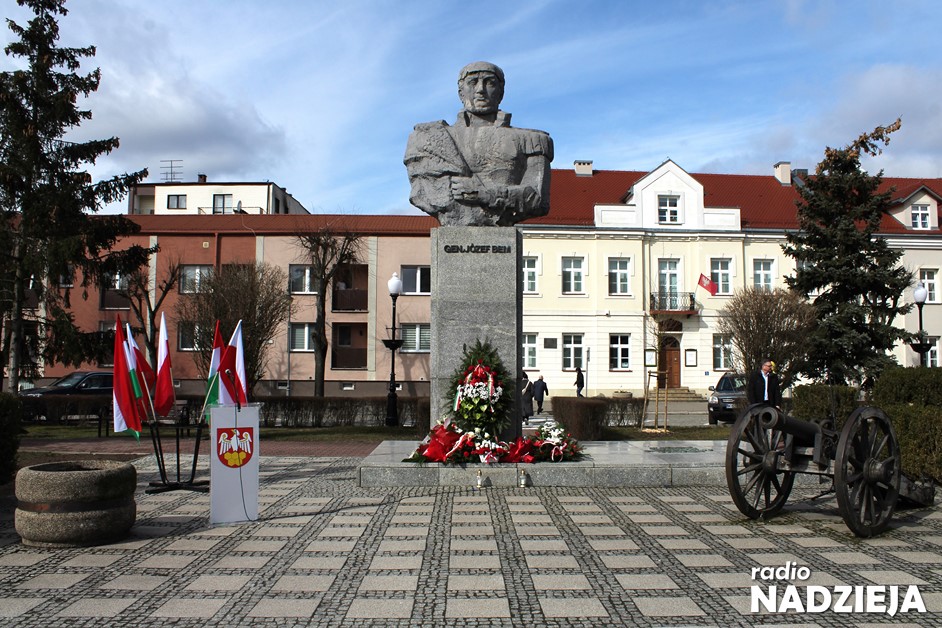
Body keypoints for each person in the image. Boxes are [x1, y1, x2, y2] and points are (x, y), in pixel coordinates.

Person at [404, 61, 553, 227]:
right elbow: (422, 193)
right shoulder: (428, 139)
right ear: (461, 92)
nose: (480, 89)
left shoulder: (532, 140)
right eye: (473, 82)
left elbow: (537, 199)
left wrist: (486, 194)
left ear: (501, 92)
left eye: (489, 82)